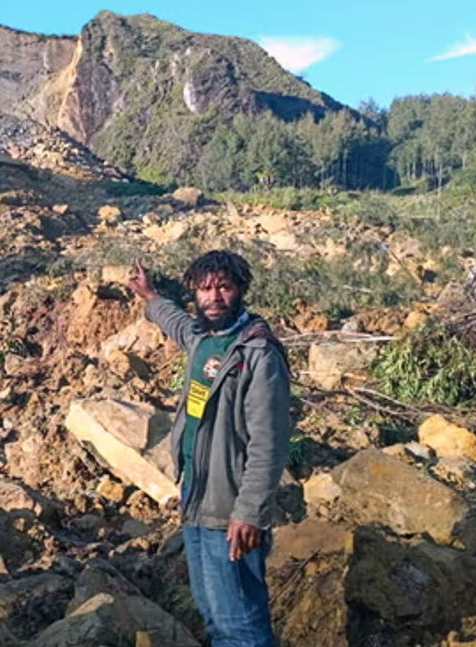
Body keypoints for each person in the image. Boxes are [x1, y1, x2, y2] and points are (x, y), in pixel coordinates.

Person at [127, 251, 291, 647]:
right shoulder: (203, 338)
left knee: (241, 629)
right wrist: (150, 297)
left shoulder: (257, 353)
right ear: (194, 294)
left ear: (241, 290)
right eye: (205, 289)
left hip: (230, 510)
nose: (214, 296)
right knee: (215, 621)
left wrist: (249, 512)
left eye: (224, 287)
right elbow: (177, 323)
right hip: (196, 498)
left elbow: (269, 443)